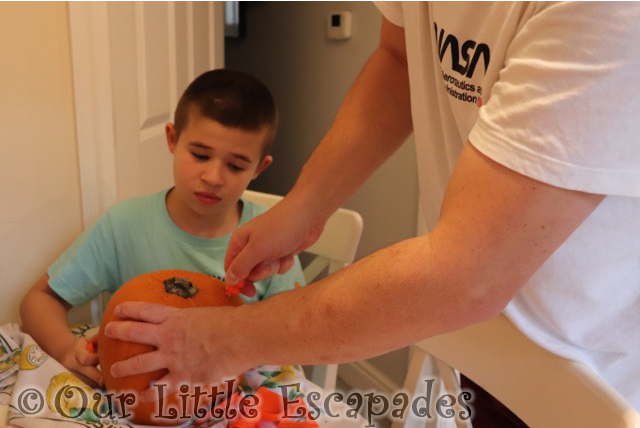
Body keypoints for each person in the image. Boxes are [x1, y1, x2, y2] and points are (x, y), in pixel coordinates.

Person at [102, 2, 640, 424]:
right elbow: (401, 59)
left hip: (593, 366)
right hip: (480, 341)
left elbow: (465, 277)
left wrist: (220, 340)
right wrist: (304, 207)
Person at [19, 69, 305, 388]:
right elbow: (40, 299)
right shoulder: (124, 225)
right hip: (134, 397)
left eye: (235, 166)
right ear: (172, 139)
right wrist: (64, 349)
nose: (213, 176)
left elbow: (297, 333)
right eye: (199, 155)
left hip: (233, 401)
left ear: (259, 168)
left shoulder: (270, 237)